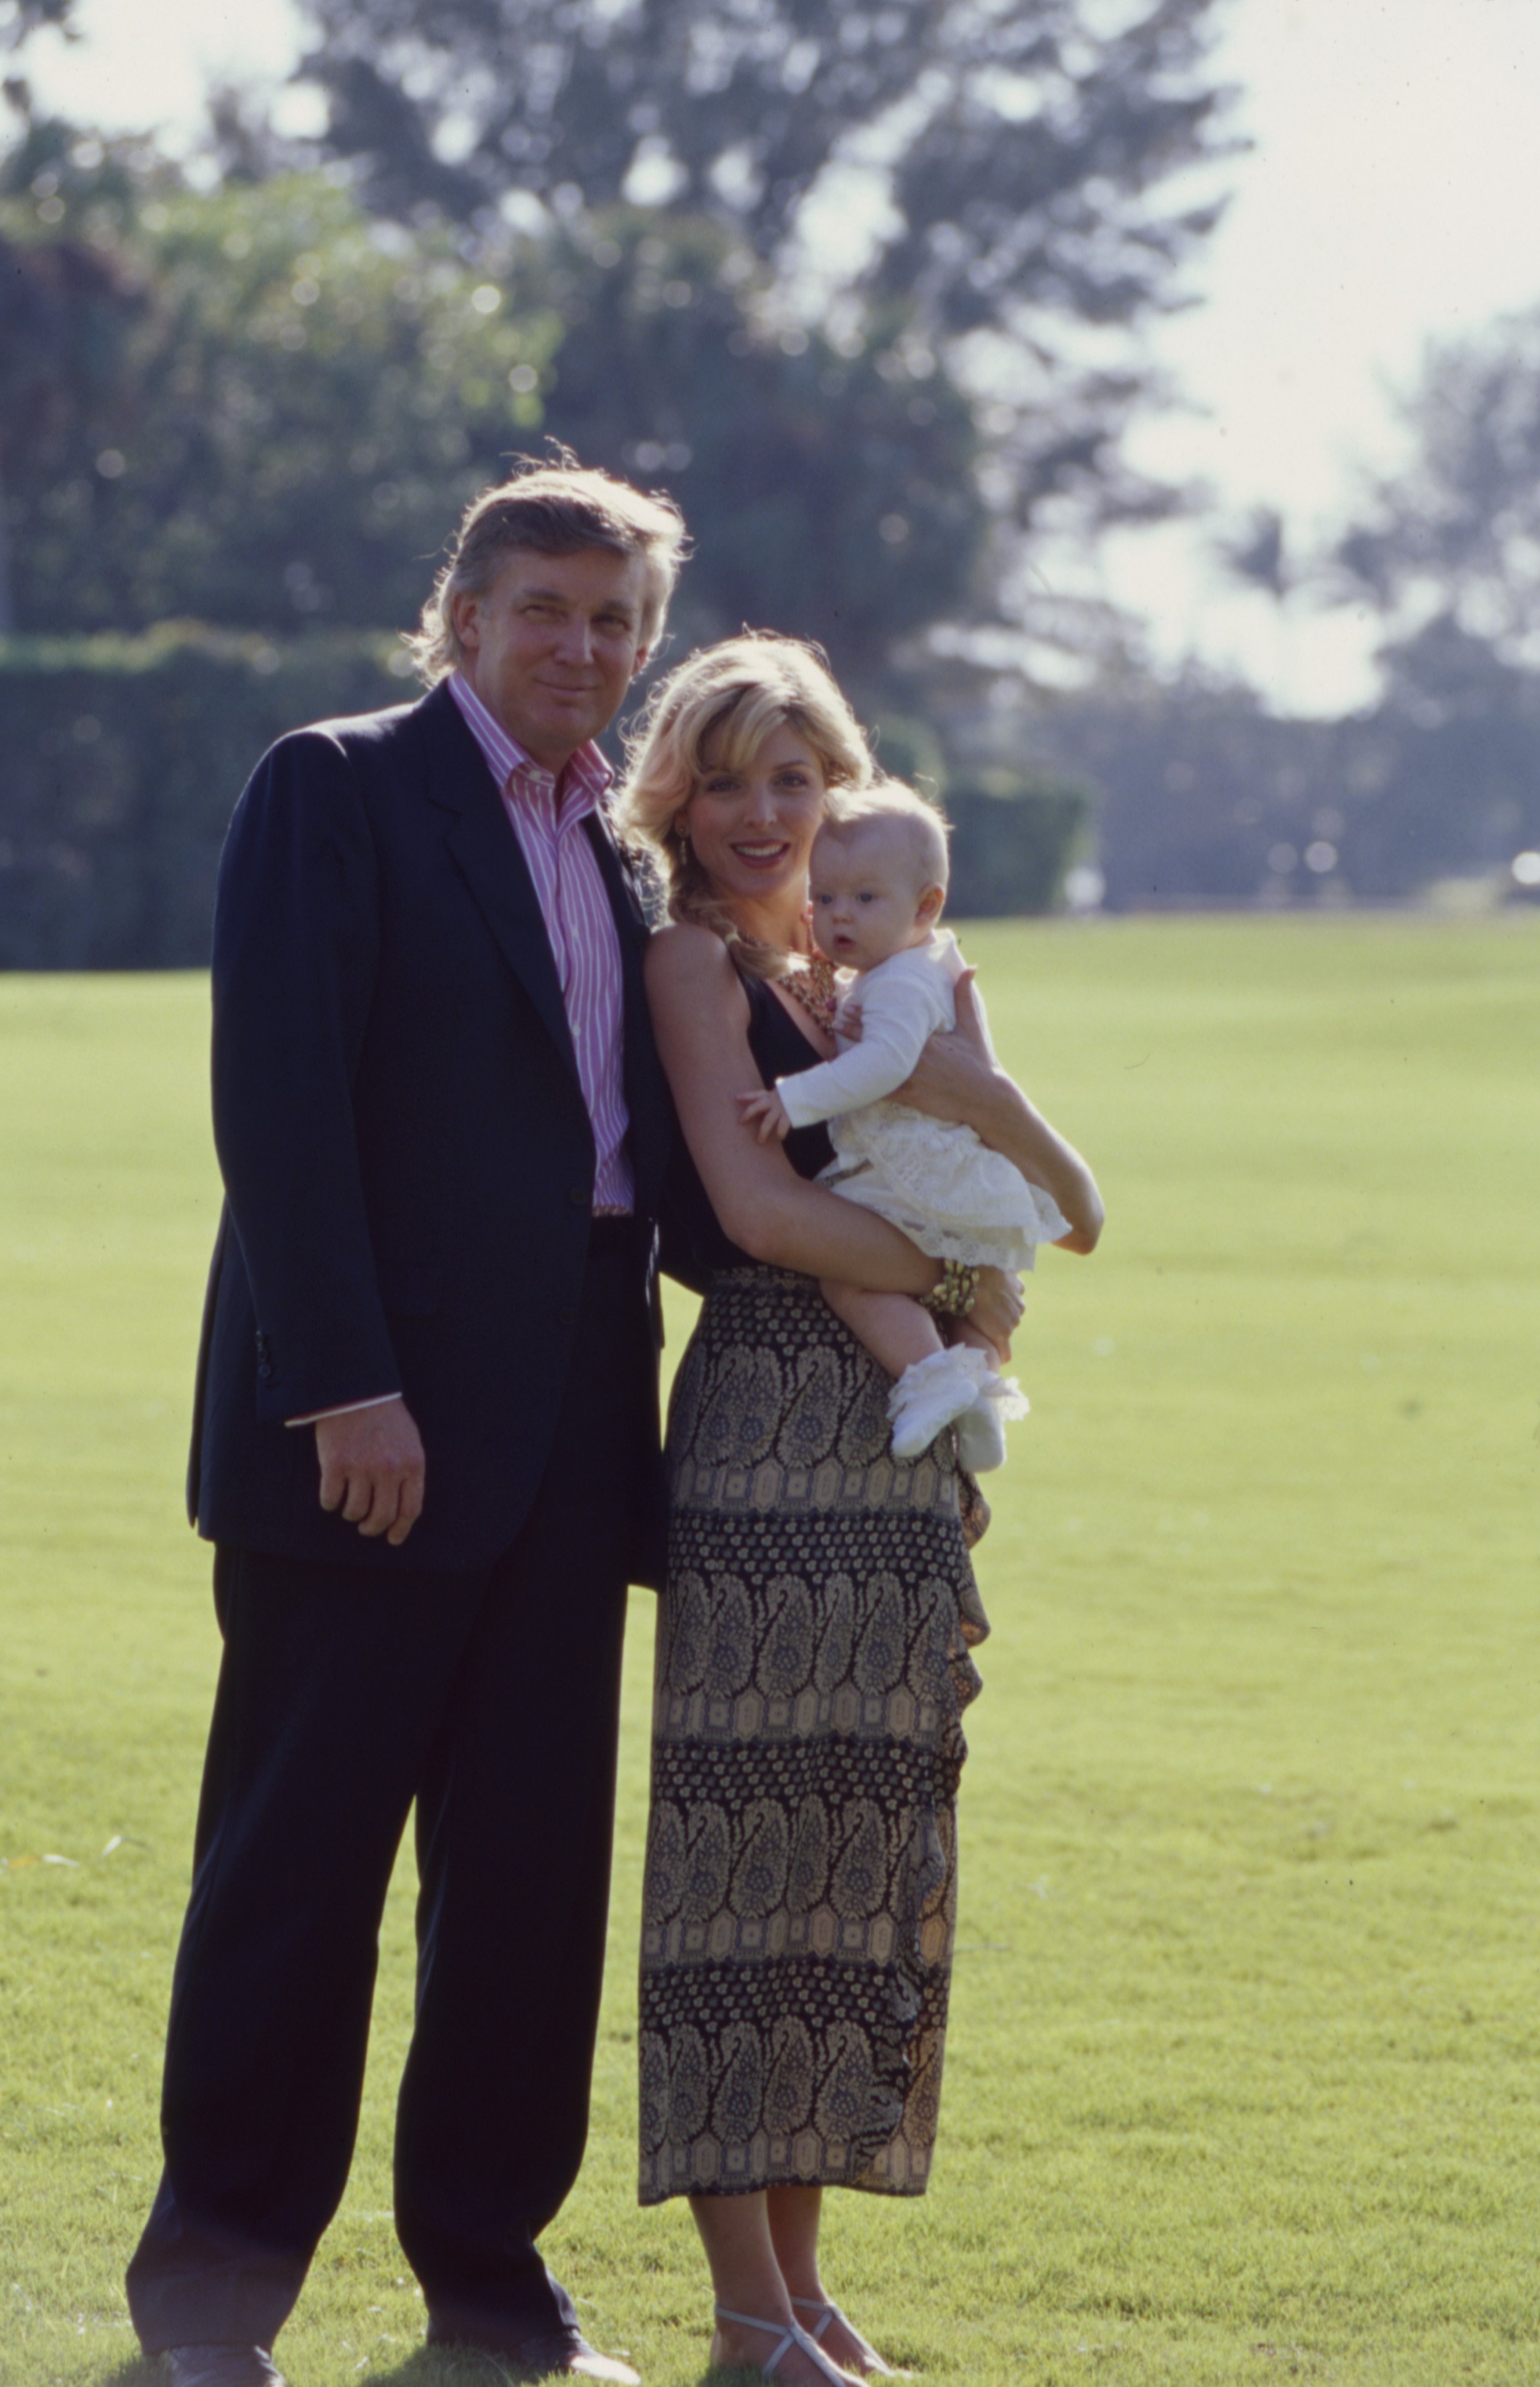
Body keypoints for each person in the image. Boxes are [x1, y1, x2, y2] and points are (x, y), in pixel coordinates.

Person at [126, 460, 690, 2387]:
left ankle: (492, 2289)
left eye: (616, 620)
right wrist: (346, 1385)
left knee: (528, 1895)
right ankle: (210, 2299)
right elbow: (279, 1109)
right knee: (297, 1877)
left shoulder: (632, 846)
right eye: (546, 608)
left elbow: (651, 1155)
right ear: (462, 616)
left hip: (571, 1451)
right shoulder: (337, 786)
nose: (582, 647)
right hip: (365, 1440)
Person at [617, 636, 1103, 2385]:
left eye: (795, 780)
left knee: (846, 1857)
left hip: (891, 1432)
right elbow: (759, 1213)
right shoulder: (689, 962)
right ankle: (745, 2309)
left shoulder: (856, 966)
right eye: (730, 779)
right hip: (762, 1426)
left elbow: (979, 1146)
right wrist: (972, 1264)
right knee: (739, 1863)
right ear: (675, 792)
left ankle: (804, 2298)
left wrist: (984, 1284)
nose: (764, 815)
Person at [737, 778, 1073, 1471]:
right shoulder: (907, 965)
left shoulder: (898, 981)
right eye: (824, 898)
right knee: (981, 1309)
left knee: (852, 1279)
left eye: (864, 899)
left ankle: (932, 1376)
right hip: (951, 1165)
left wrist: (795, 1098)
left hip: (909, 1166)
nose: (837, 917)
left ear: (926, 905)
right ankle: (976, 1400)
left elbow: (886, 1065)